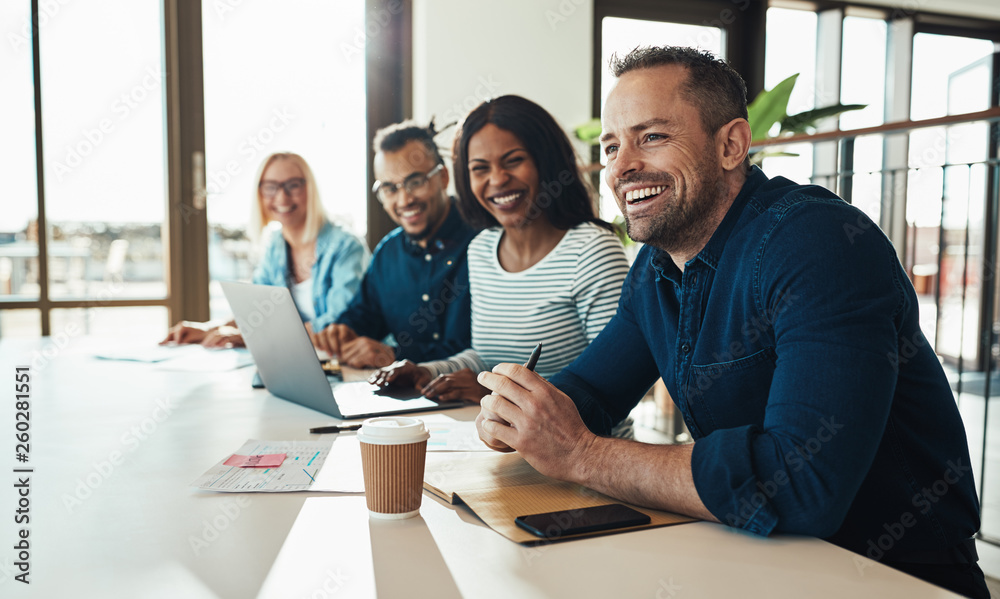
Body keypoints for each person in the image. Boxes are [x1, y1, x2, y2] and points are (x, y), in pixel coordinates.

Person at [473, 46, 987, 598]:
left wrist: (581, 453)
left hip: (894, 577)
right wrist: (521, 411)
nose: (621, 168)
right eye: (612, 146)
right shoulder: (655, 266)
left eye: (652, 137)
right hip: (753, 560)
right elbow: (592, 391)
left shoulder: (817, 242)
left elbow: (801, 483)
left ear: (731, 145)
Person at [369, 95, 629, 407]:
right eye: (480, 168)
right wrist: (426, 372)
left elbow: (613, 384)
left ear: (544, 161)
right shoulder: (481, 249)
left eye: (513, 161)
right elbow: (485, 358)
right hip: (496, 444)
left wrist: (496, 395)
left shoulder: (592, 250)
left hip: (580, 452)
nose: (497, 180)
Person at [310, 120, 477, 368]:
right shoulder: (388, 252)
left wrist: (396, 355)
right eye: (389, 188)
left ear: (442, 177)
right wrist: (344, 331)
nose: (404, 199)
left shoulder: (483, 243)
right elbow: (365, 315)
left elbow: (479, 351)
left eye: (416, 182)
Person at [161, 152, 368, 348]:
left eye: (293, 185)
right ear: (259, 193)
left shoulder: (346, 246)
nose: (282, 197)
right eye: (271, 187)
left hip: (345, 363)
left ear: (310, 189)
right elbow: (257, 312)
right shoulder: (276, 245)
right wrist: (209, 329)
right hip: (297, 362)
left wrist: (251, 337)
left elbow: (339, 325)